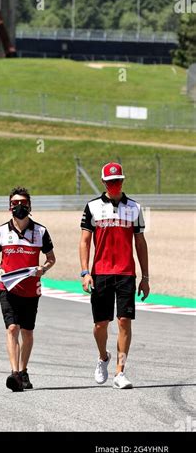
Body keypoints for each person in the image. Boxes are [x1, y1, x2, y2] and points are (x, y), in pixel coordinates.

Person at [79, 162, 149, 389]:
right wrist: (85, 272)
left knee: (124, 322)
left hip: (126, 273)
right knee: (101, 324)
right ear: (103, 183)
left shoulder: (135, 208)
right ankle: (102, 357)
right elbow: (85, 241)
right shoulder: (92, 207)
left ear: (123, 181)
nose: (114, 185)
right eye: (110, 182)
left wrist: (145, 277)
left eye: (117, 180)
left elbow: (140, 242)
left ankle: (120, 372)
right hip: (100, 273)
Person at [0, 187, 56, 392]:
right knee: (12, 328)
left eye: (23, 204)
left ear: (29, 206)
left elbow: (51, 258)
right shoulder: (1, 231)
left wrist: (43, 269)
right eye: (15, 204)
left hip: (31, 289)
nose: (19, 207)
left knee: (27, 331)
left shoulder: (41, 231)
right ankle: (14, 373)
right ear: (10, 207)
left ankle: (24, 369)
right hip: (8, 287)